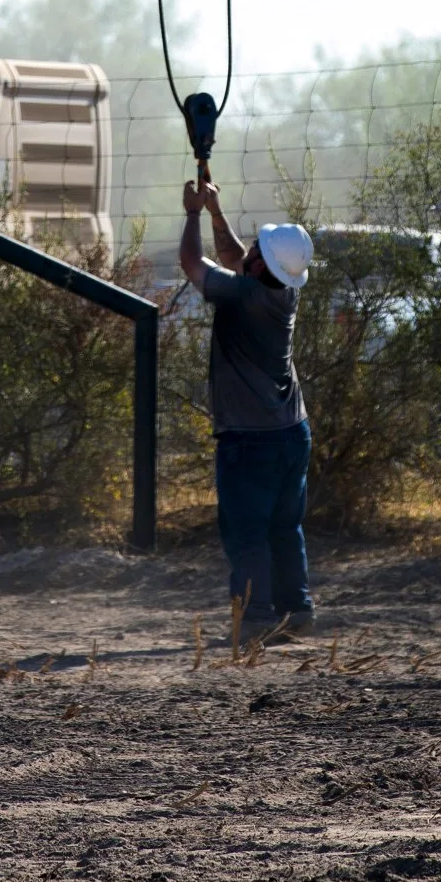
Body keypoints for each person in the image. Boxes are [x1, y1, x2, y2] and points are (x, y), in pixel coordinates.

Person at [179, 180, 316, 636]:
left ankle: (255, 619)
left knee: (247, 531)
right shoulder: (283, 290)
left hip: (250, 440)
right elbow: (236, 259)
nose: (249, 250)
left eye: (257, 247)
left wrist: (193, 214)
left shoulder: (244, 296)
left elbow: (192, 264)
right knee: (284, 526)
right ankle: (296, 612)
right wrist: (217, 212)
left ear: (262, 264)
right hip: (292, 432)